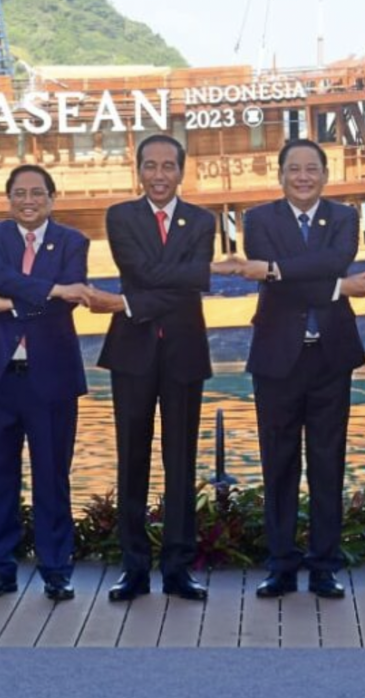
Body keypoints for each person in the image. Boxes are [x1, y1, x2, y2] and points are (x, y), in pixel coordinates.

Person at [88, 135, 234, 603]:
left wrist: (129, 301)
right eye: (149, 166)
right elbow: (155, 272)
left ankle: (177, 568)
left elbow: (191, 277)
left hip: (184, 354)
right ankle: (133, 569)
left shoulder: (202, 219)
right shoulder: (120, 216)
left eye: (167, 166)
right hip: (131, 354)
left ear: (181, 171)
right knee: (132, 460)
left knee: (181, 461)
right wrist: (182, 278)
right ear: (138, 170)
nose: (158, 174)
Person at [233, 138, 365, 600]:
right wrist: (338, 288)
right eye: (293, 168)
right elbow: (311, 283)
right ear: (280, 175)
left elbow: (333, 261)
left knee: (327, 462)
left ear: (324, 174)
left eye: (311, 168)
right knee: (278, 464)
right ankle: (280, 565)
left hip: (330, 357)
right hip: (277, 359)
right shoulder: (258, 220)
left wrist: (275, 270)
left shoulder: (344, 217)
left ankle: (324, 566)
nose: (302, 176)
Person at [0, 164, 89, 602]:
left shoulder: (74, 241)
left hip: (50, 376)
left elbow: (70, 302)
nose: (28, 200)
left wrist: (11, 306)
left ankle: (56, 569)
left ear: (52, 198)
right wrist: (51, 291)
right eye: (20, 193)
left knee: (52, 475)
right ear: (8, 198)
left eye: (37, 193)